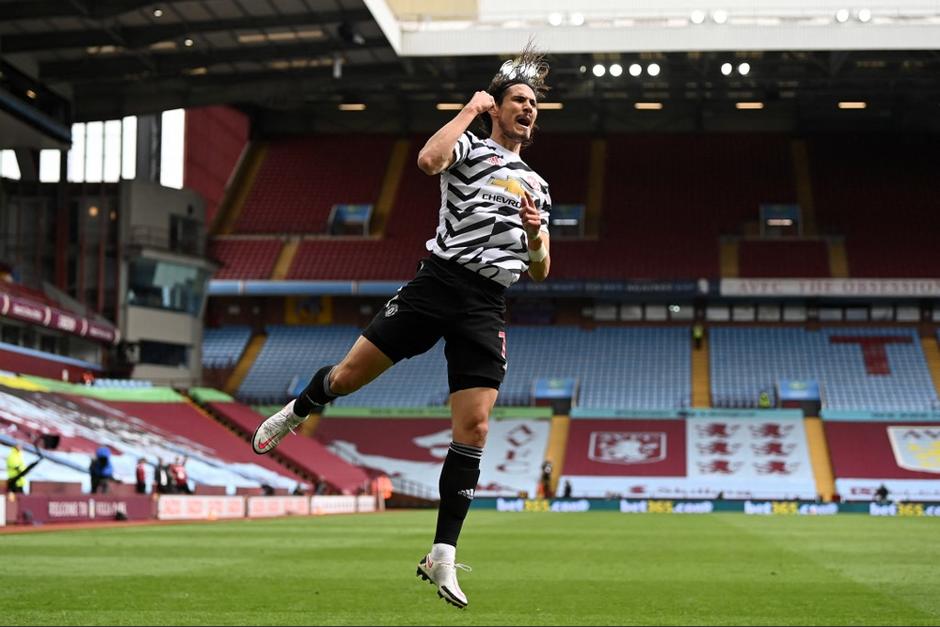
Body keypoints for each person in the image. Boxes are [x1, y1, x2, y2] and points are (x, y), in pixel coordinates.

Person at [250, 44, 553, 609]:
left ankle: (442, 554)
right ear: (498, 108)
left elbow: (541, 267)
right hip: (437, 284)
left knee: (477, 428)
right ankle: (298, 411)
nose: (529, 108)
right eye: (519, 100)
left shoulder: (538, 186)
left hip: (487, 304)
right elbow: (426, 163)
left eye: (534, 103)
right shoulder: (469, 146)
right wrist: (469, 109)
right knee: (346, 378)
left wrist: (536, 235)